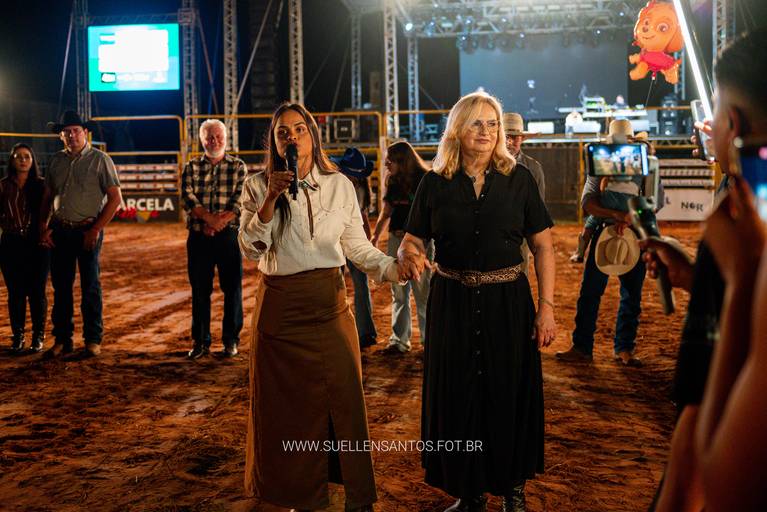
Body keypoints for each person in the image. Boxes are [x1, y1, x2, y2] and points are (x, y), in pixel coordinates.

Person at [238, 103, 403, 511]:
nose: (291, 138)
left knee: (345, 401)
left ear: (312, 135)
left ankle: (357, 497)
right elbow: (250, 248)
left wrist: (392, 267)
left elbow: (357, 247)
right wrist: (271, 197)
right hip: (279, 311)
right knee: (286, 410)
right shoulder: (256, 185)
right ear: (274, 142)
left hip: (330, 306)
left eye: (299, 129)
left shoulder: (339, 185)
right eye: (283, 132)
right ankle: (298, 496)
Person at [397, 91, 557, 512]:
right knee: (459, 396)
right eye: (477, 123)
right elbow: (412, 239)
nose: (486, 131)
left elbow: (543, 246)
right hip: (452, 305)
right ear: (457, 130)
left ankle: (513, 493)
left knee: (508, 394)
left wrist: (546, 308)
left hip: (509, 304)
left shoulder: (519, 179)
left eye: (493, 124)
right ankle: (470, 494)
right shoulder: (434, 183)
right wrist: (409, 253)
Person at [644, 28, 767, 512]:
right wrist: (697, 278)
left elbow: (718, 479)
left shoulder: (740, 220)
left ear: (731, 122)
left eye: (715, 108)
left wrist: (739, 280)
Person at [557, 119, 649, 367]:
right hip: (613, 229)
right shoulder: (601, 167)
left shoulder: (643, 166)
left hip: (627, 230)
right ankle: (589, 346)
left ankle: (618, 347)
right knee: (593, 292)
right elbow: (587, 203)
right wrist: (619, 216)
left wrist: (629, 218)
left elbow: (654, 201)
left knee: (629, 293)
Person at [39, 111, 122, 358]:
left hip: (87, 230)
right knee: (61, 287)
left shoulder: (100, 159)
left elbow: (115, 198)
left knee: (90, 286)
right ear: (61, 136)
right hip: (60, 230)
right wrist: (43, 226)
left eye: (76, 130)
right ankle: (63, 339)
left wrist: (95, 229)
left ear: (85, 133)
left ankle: (93, 339)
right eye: (66, 132)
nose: (71, 135)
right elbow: (47, 196)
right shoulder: (56, 160)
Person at [180, 119, 246, 359]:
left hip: (228, 237)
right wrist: (209, 219)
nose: (214, 141)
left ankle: (231, 341)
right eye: (209, 137)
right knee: (200, 290)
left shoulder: (238, 166)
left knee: (233, 289)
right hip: (199, 237)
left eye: (218, 136)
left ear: (226, 139)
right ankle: (201, 341)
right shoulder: (191, 167)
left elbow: (240, 200)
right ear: (202, 140)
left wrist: (218, 223)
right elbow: (187, 197)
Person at [371, 141, 432, 353]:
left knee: (423, 293)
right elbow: (386, 211)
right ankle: (399, 340)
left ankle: (428, 341)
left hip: (421, 243)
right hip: (396, 239)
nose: (386, 163)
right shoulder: (393, 180)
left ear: (402, 160)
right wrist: (376, 235)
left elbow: (433, 213)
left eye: (390, 160)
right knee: (398, 292)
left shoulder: (425, 179)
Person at [0, 144, 49, 352]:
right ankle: (18, 336)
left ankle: (38, 336)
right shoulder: (3, 186)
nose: (22, 160)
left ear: (32, 160)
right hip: (11, 244)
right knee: (16, 292)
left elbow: (51, 211)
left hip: (36, 244)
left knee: (37, 291)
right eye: (18, 156)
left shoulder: (42, 185)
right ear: (12, 160)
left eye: (27, 156)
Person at [333, 147, 379, 349]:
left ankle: (362, 331)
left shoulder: (346, 186)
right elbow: (363, 217)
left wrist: (366, 241)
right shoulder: (359, 188)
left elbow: (363, 217)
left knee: (350, 283)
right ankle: (360, 331)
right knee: (347, 284)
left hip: (345, 239)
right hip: (339, 239)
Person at [503, 112, 545, 198]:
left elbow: (538, 203)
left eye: (514, 137)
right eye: (506, 137)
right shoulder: (487, 165)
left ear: (522, 139)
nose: (509, 142)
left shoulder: (534, 167)